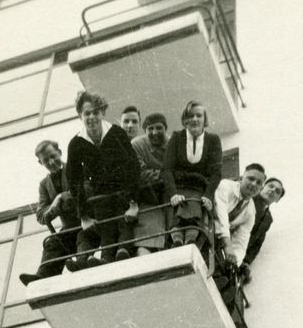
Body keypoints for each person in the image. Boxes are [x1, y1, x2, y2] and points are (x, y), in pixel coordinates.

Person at [66, 91, 140, 265]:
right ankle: (105, 258)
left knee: (125, 222)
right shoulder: (76, 144)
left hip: (123, 191)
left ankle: (123, 251)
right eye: (86, 113)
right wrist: (83, 216)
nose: (91, 117)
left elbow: (133, 166)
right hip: (100, 194)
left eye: (95, 112)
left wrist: (133, 203)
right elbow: (74, 181)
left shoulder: (116, 133)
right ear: (80, 116)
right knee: (106, 227)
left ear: (103, 113)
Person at [18, 140, 93, 286]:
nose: (51, 162)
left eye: (53, 156)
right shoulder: (44, 185)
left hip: (89, 220)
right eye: (46, 160)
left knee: (82, 236)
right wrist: (54, 205)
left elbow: (88, 189)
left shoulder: (77, 168)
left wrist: (61, 197)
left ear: (60, 153)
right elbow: (41, 216)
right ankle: (42, 277)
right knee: (53, 243)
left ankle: (81, 263)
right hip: (69, 228)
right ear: (41, 163)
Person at [163, 101, 223, 248]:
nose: (195, 119)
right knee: (179, 206)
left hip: (199, 190)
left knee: (195, 204)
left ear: (205, 119)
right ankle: (177, 241)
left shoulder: (213, 140)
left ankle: (190, 242)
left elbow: (216, 173)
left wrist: (208, 195)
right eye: (191, 115)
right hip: (177, 188)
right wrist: (173, 194)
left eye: (199, 115)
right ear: (185, 120)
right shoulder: (177, 137)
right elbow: (166, 169)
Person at [131, 113, 170, 256]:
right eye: (150, 129)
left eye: (159, 128)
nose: (154, 132)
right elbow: (138, 174)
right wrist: (165, 175)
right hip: (147, 199)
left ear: (165, 128)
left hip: (169, 198)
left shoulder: (173, 145)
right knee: (146, 239)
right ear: (144, 130)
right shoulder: (137, 145)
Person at [213, 163, 267, 266]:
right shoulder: (225, 186)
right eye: (251, 179)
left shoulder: (251, 211)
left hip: (217, 241)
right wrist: (228, 245)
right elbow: (221, 215)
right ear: (242, 178)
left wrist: (235, 263)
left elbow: (242, 240)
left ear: (261, 189)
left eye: (259, 183)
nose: (254, 184)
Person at [240, 177, 285, 283]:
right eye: (271, 186)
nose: (273, 190)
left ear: (277, 200)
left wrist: (246, 261)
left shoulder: (268, 219)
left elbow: (257, 243)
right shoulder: (247, 198)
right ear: (262, 187)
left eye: (277, 191)